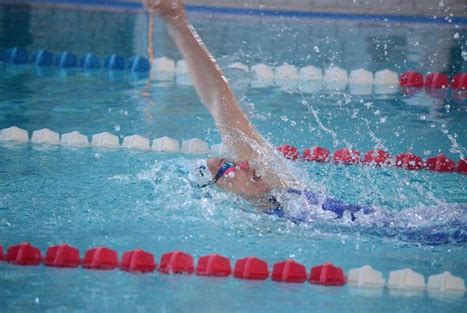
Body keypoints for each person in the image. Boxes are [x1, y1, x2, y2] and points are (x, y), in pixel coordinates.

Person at [144, 0, 374, 222]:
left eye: (230, 160)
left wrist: (177, 20)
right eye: (226, 169)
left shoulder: (287, 191)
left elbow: (218, 99)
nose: (242, 162)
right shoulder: (270, 221)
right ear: (222, 196)